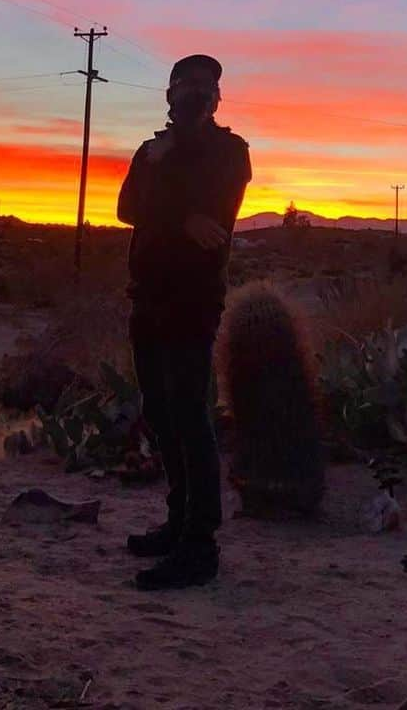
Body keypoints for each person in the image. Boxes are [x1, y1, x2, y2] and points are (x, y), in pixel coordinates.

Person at [117, 53, 252, 590]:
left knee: (191, 415)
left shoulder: (229, 151)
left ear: (218, 99)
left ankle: (201, 544)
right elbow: (127, 208)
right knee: (160, 410)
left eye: (207, 85)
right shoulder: (150, 152)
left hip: (194, 298)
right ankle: (178, 520)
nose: (197, 92)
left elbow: (212, 218)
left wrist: (173, 195)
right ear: (168, 95)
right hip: (147, 293)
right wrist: (176, 211)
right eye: (186, 84)